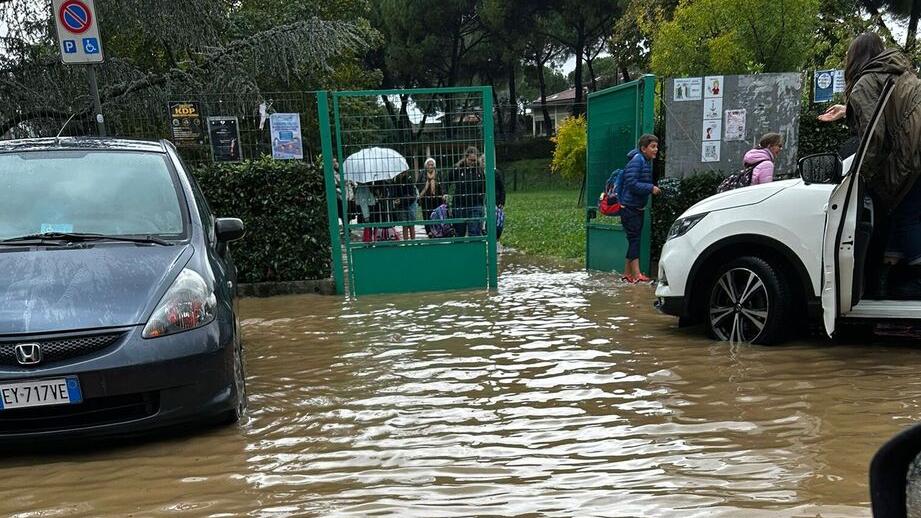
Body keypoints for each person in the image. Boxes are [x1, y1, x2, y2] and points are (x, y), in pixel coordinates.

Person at [818, 32, 921, 299]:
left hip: (911, 154)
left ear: (855, 57)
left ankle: (915, 281)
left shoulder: (865, 82)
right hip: (917, 149)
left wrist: (858, 176)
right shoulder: (895, 71)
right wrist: (847, 110)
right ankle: (896, 279)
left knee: (905, 216)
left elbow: (874, 136)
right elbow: (886, 110)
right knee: (903, 214)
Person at [620, 134, 662, 283]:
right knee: (635, 240)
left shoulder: (644, 160)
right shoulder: (638, 161)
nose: (656, 149)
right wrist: (650, 188)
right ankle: (637, 275)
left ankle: (627, 274)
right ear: (644, 148)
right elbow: (631, 183)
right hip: (630, 208)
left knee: (633, 240)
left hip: (635, 207)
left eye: (656, 146)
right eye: (653, 147)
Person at [448, 146, 486, 237]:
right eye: (470, 160)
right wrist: (446, 193)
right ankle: (460, 250)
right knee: (459, 232)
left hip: (475, 204)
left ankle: (475, 250)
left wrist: (481, 198)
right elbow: (447, 181)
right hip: (459, 204)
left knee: (475, 232)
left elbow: (484, 186)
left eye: (474, 160)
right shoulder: (457, 168)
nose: (472, 162)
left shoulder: (480, 170)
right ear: (465, 157)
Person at [418, 158, 445, 238]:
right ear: (426, 166)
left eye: (432, 164)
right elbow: (418, 185)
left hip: (437, 198)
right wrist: (426, 185)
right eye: (429, 165)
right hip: (425, 198)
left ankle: (437, 230)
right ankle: (429, 231)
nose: (430, 166)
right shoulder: (422, 173)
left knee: (437, 214)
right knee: (427, 215)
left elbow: (443, 184)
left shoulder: (438, 173)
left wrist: (443, 193)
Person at [392, 170, 418, 240]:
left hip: (410, 204)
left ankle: (413, 241)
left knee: (411, 225)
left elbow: (412, 195)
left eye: (403, 172)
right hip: (401, 205)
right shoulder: (395, 181)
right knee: (404, 225)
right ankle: (406, 242)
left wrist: (401, 200)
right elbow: (395, 193)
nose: (401, 174)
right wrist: (396, 199)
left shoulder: (409, 180)